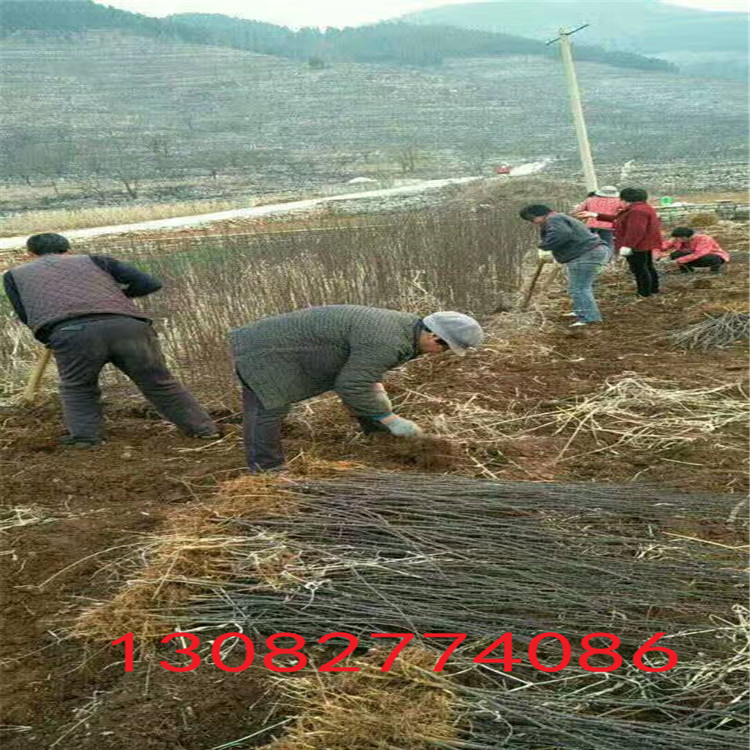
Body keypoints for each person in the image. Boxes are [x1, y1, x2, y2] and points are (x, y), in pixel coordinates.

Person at [3, 233, 218, 447]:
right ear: (69, 250)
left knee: (78, 387)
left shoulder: (14, 275)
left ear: (29, 254)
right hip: (129, 327)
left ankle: (86, 439)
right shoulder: (96, 260)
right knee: (158, 382)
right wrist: (115, 299)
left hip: (71, 332)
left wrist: (49, 334)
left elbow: (26, 314)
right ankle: (203, 429)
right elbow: (149, 283)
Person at [229, 305, 484, 473]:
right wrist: (391, 419)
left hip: (284, 347)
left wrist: (376, 390)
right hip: (266, 351)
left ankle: (377, 436)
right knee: (269, 406)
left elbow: (362, 370)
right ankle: (267, 470)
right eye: (445, 348)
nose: (440, 354)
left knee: (367, 391)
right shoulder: (389, 340)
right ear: (434, 337)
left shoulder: (406, 329)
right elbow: (351, 384)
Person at [519, 204, 610, 328]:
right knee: (579, 286)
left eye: (532, 219)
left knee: (579, 288)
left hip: (587, 255)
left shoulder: (554, 219)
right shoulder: (559, 217)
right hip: (593, 254)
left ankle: (589, 318)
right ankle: (582, 311)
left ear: (538, 215)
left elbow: (562, 233)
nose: (533, 223)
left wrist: (545, 247)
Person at [577, 187, 663, 299]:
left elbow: (636, 231)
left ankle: (644, 293)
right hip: (643, 243)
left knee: (640, 269)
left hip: (637, 245)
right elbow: (619, 219)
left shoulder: (636, 211)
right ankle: (652, 289)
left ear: (624, 200)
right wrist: (595, 215)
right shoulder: (641, 208)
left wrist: (627, 246)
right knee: (646, 266)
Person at [657, 227, 730, 274]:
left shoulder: (704, 239)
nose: (676, 240)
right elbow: (663, 247)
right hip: (691, 258)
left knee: (713, 257)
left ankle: (714, 271)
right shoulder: (677, 239)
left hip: (708, 257)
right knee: (676, 254)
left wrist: (677, 261)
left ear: (685, 237)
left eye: (678, 238)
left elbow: (699, 254)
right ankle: (686, 271)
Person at [573, 185, 625, 252]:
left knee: (589, 244)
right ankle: (608, 260)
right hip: (608, 226)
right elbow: (626, 212)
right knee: (608, 244)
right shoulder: (619, 201)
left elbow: (577, 210)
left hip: (591, 225)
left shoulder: (590, 200)